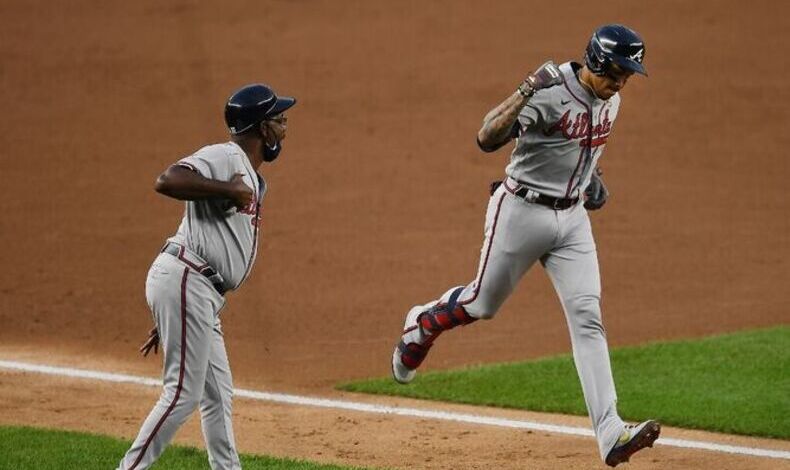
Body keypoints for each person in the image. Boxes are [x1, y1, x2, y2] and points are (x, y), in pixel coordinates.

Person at [391, 24, 659, 467]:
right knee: (482, 304)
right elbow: (486, 137)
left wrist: (593, 182)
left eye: (628, 75)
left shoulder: (613, 102)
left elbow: (583, 151)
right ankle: (420, 324)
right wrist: (525, 90)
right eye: (616, 72)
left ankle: (611, 431)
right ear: (593, 61)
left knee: (588, 317)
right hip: (521, 211)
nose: (621, 82)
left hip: (572, 221)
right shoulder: (550, 91)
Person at [117, 83, 295, 470]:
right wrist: (226, 188)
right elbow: (167, 180)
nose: (284, 128)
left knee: (218, 393)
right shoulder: (225, 156)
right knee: (182, 394)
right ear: (261, 128)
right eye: (279, 120)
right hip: (188, 280)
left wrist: (174, 314)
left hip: (194, 290)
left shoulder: (246, 171)